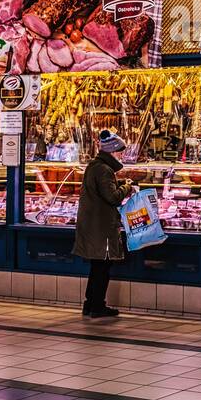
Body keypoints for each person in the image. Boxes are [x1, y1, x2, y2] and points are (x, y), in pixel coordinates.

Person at [73, 130, 135, 318]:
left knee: (97, 267)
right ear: (112, 151)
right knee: (102, 268)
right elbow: (113, 197)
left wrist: (119, 183)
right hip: (101, 228)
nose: (122, 155)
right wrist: (127, 187)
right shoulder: (104, 169)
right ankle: (97, 306)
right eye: (120, 152)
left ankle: (90, 304)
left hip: (93, 225)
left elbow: (103, 190)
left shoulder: (96, 166)